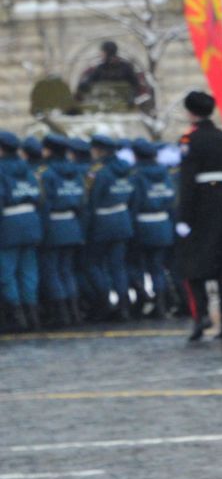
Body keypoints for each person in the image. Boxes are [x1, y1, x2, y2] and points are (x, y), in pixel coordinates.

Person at [174, 90, 222, 341]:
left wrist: (183, 217)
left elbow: (187, 180)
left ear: (191, 112)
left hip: (201, 205)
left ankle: (200, 316)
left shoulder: (190, 140)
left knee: (192, 266)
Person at [83, 133, 136, 321]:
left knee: (94, 264)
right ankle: (124, 306)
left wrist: (86, 228)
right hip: (123, 220)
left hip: (103, 223)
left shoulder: (98, 171)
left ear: (98, 150)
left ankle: (104, 303)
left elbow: (92, 201)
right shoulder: (125, 169)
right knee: (118, 266)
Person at [37, 137, 86, 327]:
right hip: (72, 223)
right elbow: (82, 201)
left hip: (54, 225)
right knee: (67, 271)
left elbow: (45, 204)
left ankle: (62, 315)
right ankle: (74, 313)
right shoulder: (75, 171)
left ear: (48, 151)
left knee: (53, 271)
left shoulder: (46, 173)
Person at [0, 131, 45, 333]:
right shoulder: (27, 168)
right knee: (29, 271)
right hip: (31, 221)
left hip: (9, 224)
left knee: (7, 273)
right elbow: (38, 197)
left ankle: (17, 317)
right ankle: (33, 315)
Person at [127, 138, 178, 318]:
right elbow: (171, 199)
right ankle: (162, 305)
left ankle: (144, 301)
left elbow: (134, 203)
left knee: (138, 267)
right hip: (163, 224)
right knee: (158, 268)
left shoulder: (136, 175)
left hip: (143, 225)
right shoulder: (165, 173)